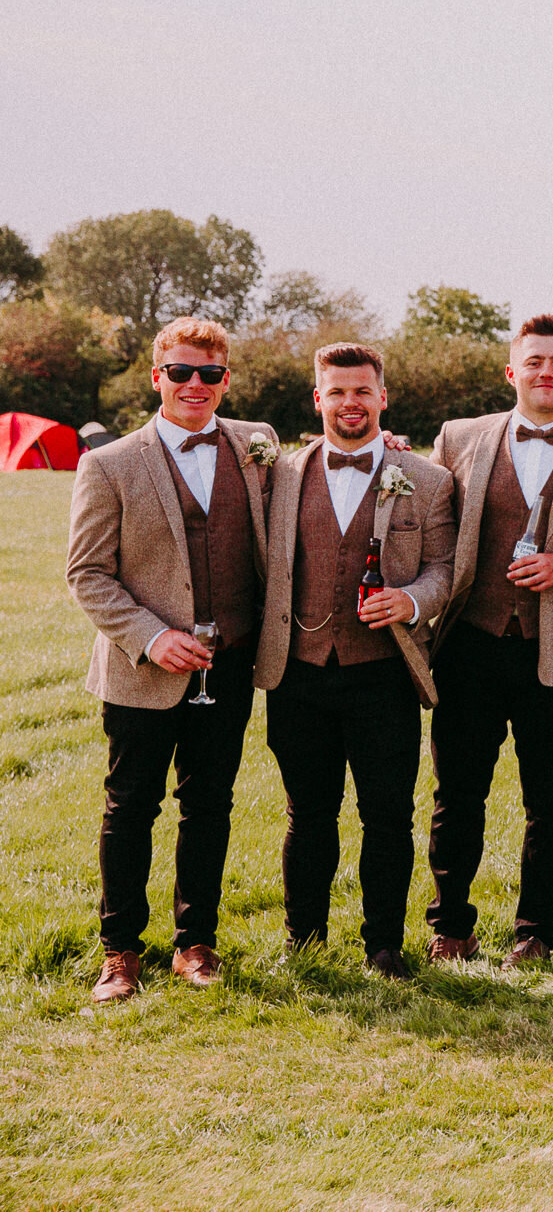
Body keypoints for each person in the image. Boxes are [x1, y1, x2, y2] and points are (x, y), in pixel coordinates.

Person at [65, 317, 279, 1003]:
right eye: (181, 371)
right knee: (130, 807)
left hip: (233, 664)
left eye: (210, 374)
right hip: (141, 669)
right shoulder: (110, 462)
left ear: (225, 379)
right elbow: (87, 572)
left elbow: (314, 475)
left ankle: (196, 943)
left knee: (209, 805)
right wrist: (152, 636)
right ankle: (120, 952)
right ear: (156, 375)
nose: (196, 384)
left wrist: (386, 447)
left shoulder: (258, 445)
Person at [421, 315, 553, 968]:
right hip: (468, 642)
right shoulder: (458, 438)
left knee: (550, 795)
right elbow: (425, 525)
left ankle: (535, 930)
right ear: (512, 371)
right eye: (533, 361)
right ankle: (451, 925)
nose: (546, 372)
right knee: (457, 791)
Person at [254, 343, 456, 979]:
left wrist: (411, 599)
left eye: (362, 391)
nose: (350, 403)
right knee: (307, 813)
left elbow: (448, 568)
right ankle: (304, 938)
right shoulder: (279, 475)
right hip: (298, 672)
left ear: (382, 398)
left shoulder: (426, 479)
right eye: (336, 392)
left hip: (384, 678)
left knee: (388, 817)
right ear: (318, 399)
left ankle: (384, 945)